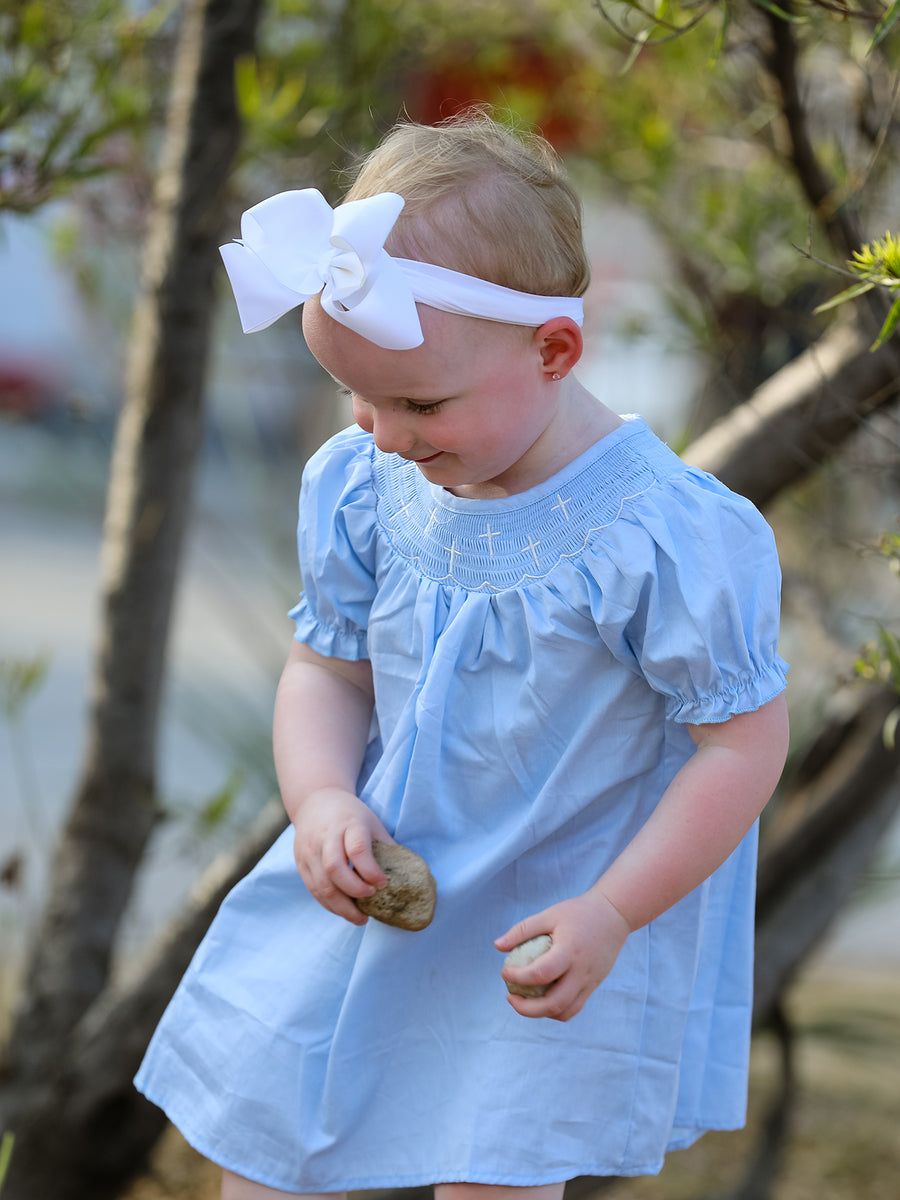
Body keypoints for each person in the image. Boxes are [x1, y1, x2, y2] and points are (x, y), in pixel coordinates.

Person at [135, 113, 790, 1200]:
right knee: (269, 1141)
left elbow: (739, 746)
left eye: (419, 402)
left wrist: (616, 910)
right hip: (386, 872)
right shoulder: (368, 485)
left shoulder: (660, 537)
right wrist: (319, 801)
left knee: (495, 1174)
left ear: (555, 350)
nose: (383, 434)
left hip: (555, 916)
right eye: (359, 397)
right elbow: (329, 669)